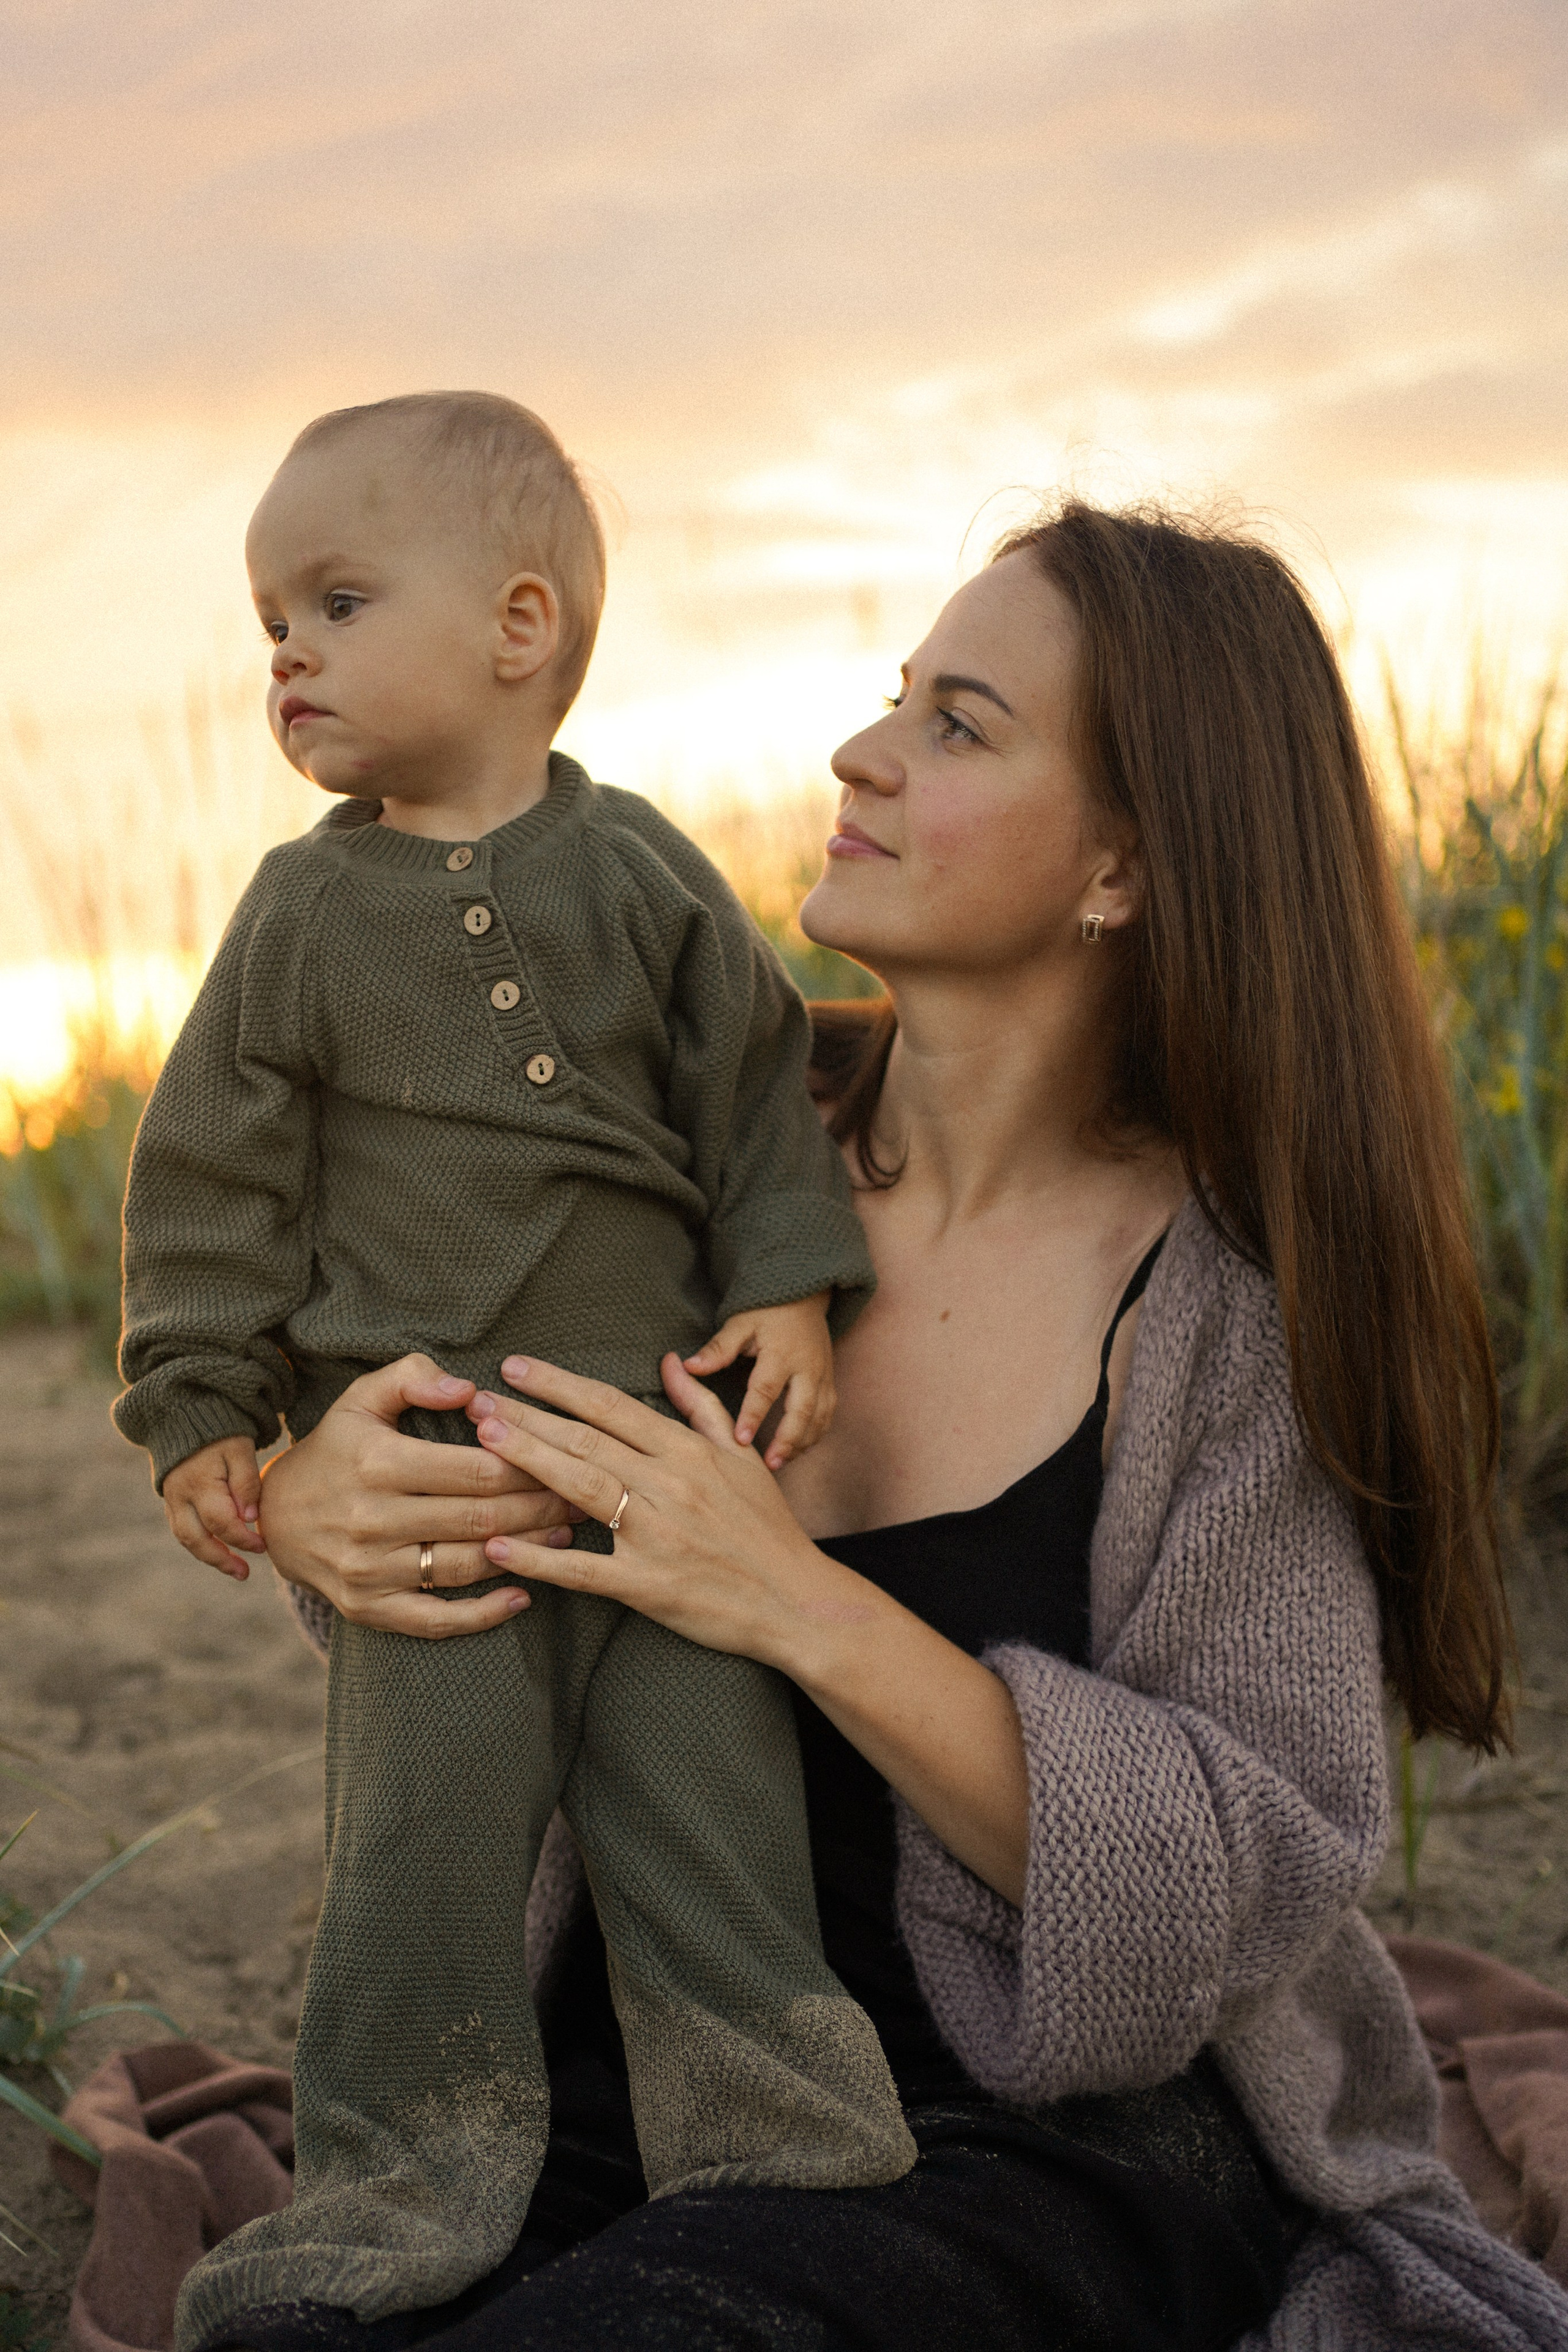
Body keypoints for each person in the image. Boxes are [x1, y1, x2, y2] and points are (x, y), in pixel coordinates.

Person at [251, 500, 1568, 2352]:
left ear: (1126, 857)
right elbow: (434, 1488)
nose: (862, 752)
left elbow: (1241, 1875)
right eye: (896, 698)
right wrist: (321, 1499)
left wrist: (787, 1598)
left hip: (1045, 2137)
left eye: (960, 723)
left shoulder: (1231, 1312)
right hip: (632, 2067)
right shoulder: (667, 1141)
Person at [111, 391, 918, 2352]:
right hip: (447, 1489)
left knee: (702, 1808)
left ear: (520, 624)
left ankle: (780, 2137)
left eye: (335, 598)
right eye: (267, 617)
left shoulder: (640, 873)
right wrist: (208, 1414)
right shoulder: (302, 916)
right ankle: (397, 2184)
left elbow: (752, 1106)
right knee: (423, 1855)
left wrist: (795, 1292)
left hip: (667, 1465)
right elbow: (212, 1177)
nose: (283, 648)